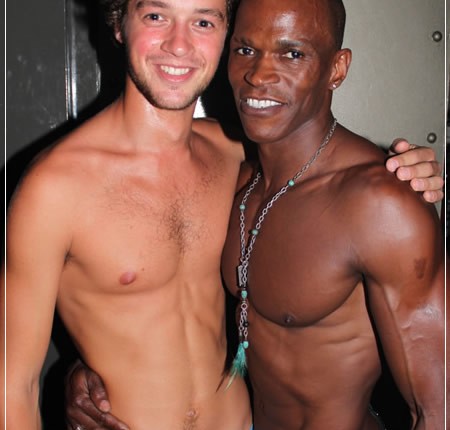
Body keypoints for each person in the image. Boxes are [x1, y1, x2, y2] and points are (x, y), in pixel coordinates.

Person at [5, 0, 443, 430]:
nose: (179, 45)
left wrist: (404, 173)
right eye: (156, 16)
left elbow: (325, 167)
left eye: (203, 22)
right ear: (120, 23)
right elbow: (13, 386)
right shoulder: (54, 187)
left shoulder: (233, 156)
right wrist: (79, 367)